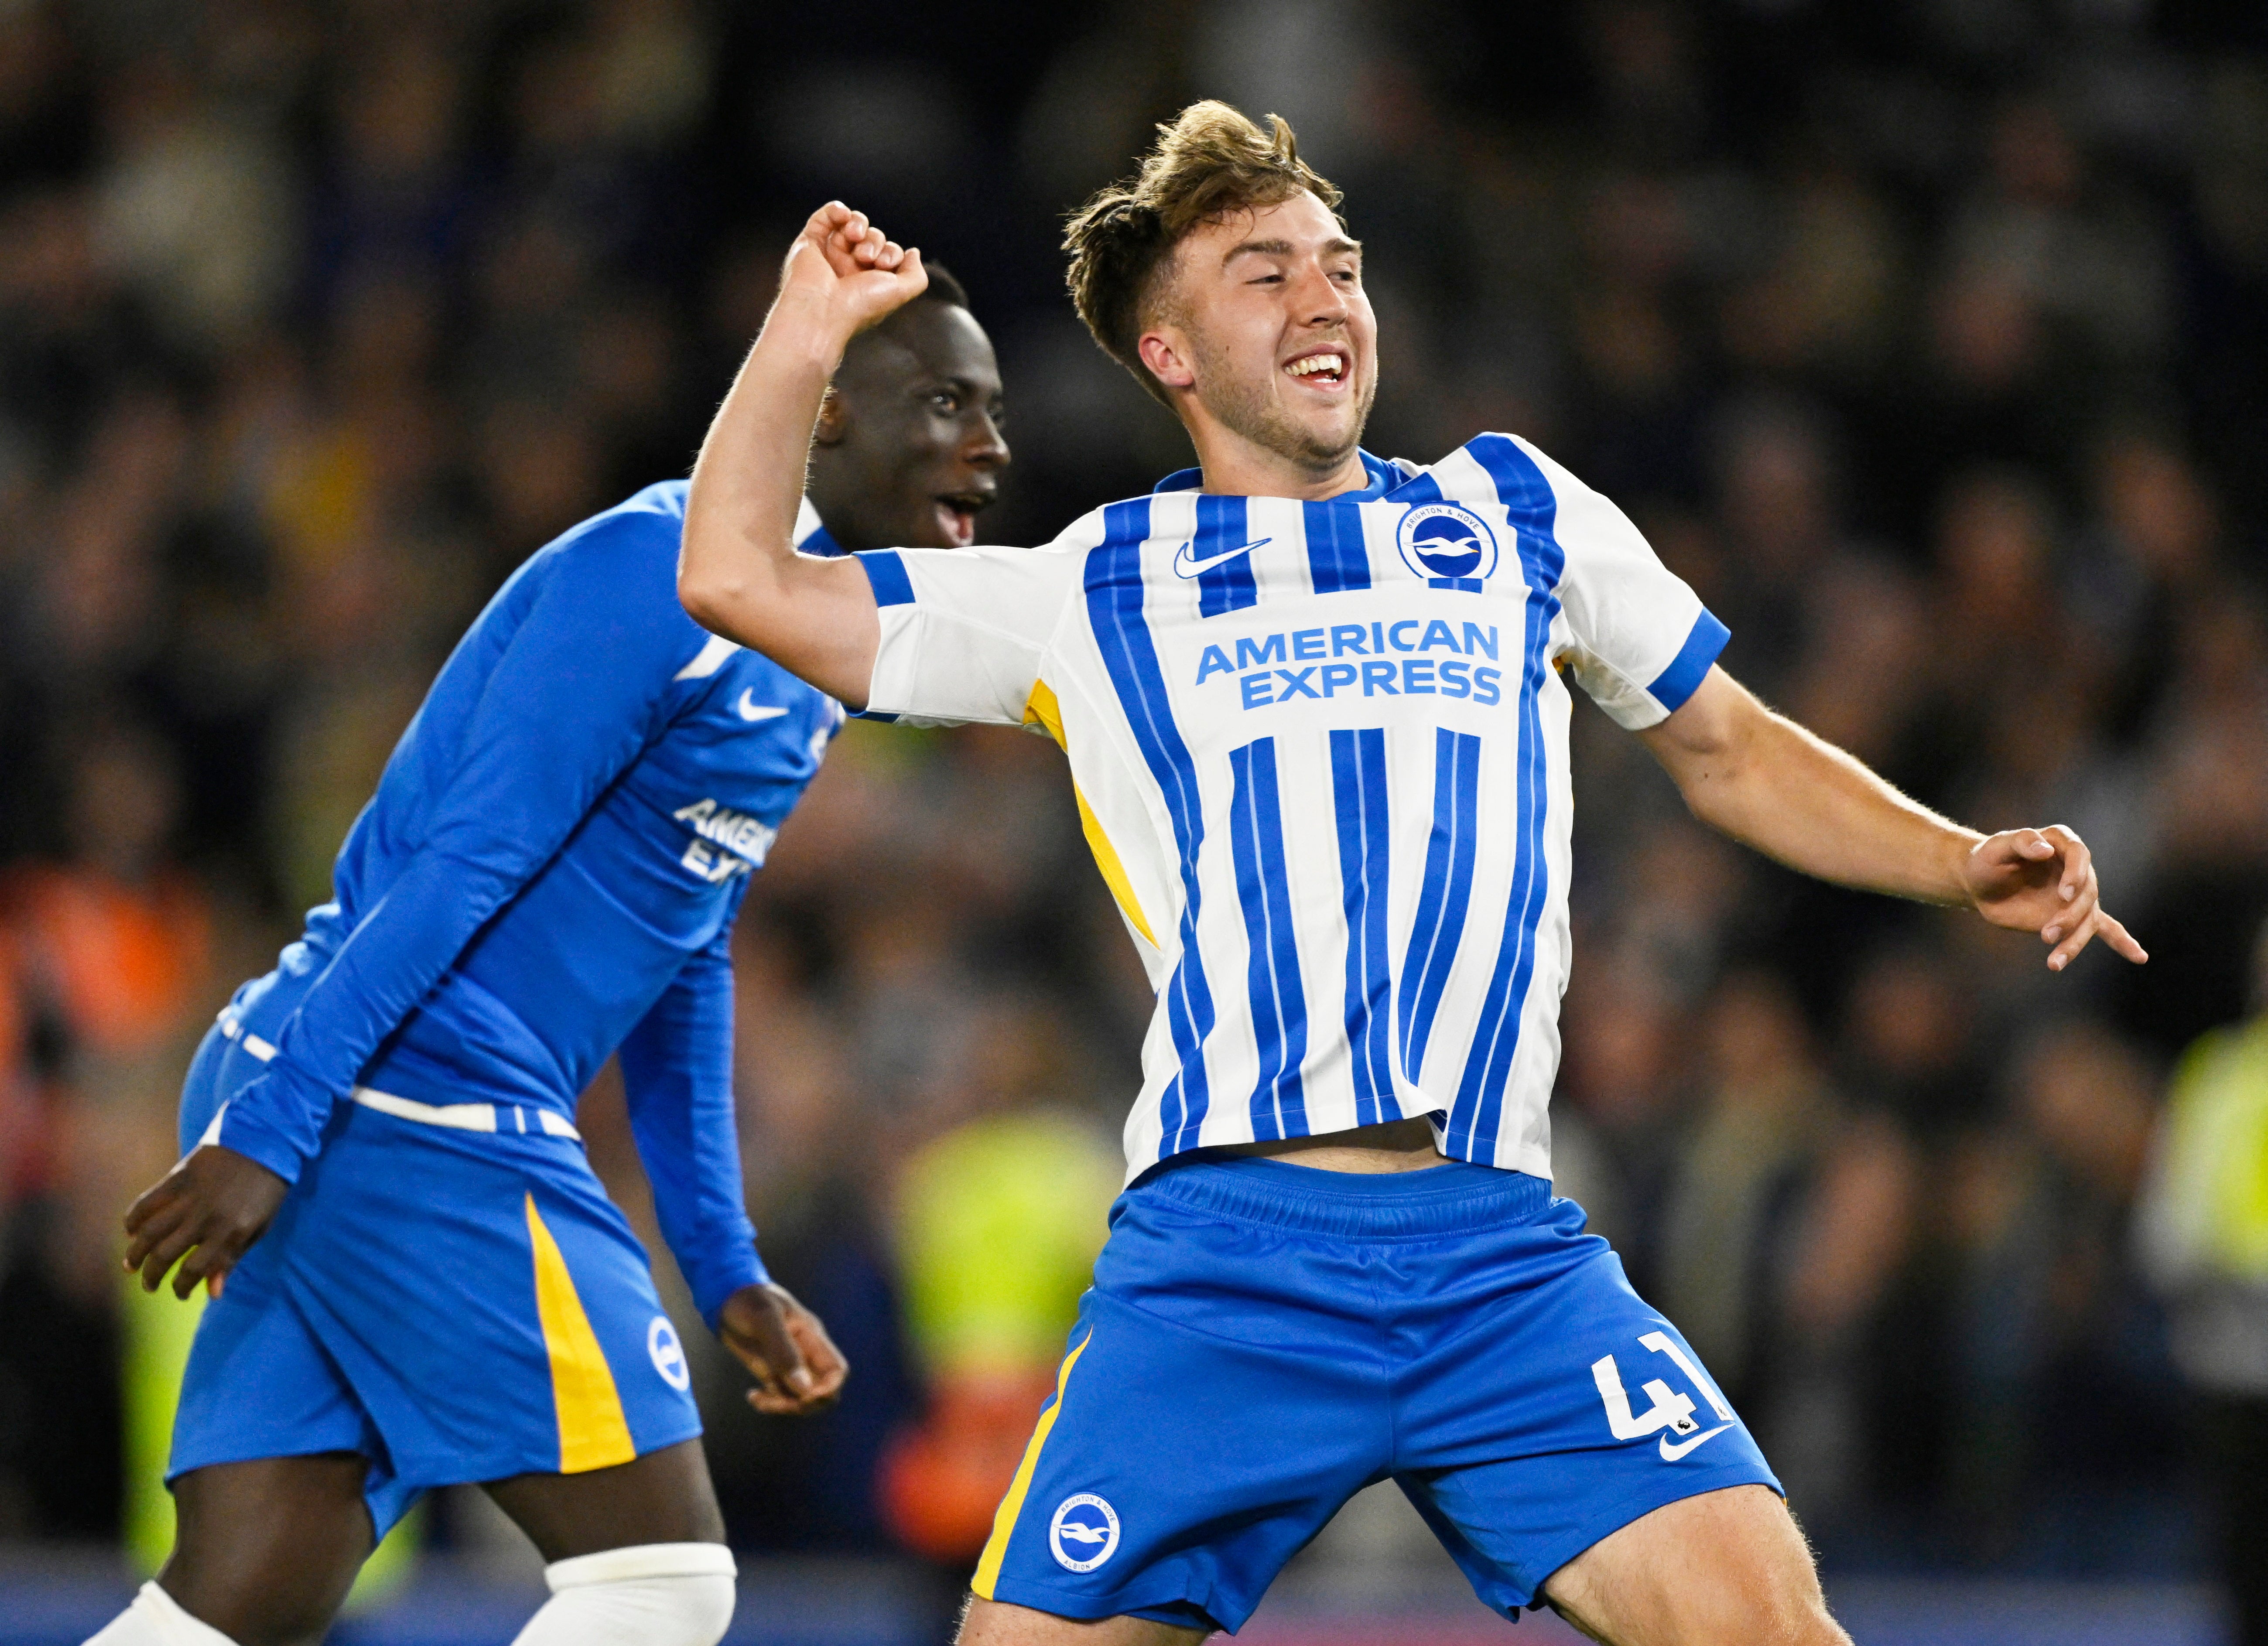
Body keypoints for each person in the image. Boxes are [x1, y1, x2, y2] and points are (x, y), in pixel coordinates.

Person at [674, 105, 2146, 1646]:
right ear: (1171, 354)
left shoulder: (1515, 511)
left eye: (1342, 265)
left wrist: (1954, 860)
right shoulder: (1091, 588)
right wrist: (802, 333)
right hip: (1226, 1268)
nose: (1325, 298)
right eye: (1265, 275)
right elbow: (735, 577)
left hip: (1502, 1260)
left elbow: (1729, 747)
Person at [91, 266, 1009, 1646]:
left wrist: (723, 1261)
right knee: (663, 1581)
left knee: (239, 1604)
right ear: (824, 415)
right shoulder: (652, 574)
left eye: (993, 410)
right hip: (407, 1095)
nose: (990, 447)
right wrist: (275, 1129)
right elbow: (464, 863)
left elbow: (684, 956)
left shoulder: (810, 658)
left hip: (358, 1096)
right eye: (946, 403)